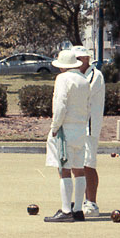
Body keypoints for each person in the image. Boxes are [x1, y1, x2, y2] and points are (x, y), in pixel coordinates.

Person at [44, 49, 91, 223]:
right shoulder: (84, 80)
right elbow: (88, 106)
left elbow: (60, 104)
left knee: (64, 169)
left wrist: (55, 126)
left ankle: (66, 210)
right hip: (80, 129)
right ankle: (78, 209)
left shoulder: (62, 79)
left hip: (65, 129)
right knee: (79, 169)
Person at [72, 46, 104, 216]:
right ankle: (80, 202)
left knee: (88, 164)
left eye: (79, 58)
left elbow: (82, 94)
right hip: (76, 125)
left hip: (89, 126)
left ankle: (92, 203)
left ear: (86, 59)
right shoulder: (75, 75)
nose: (76, 62)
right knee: (76, 164)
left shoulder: (95, 75)